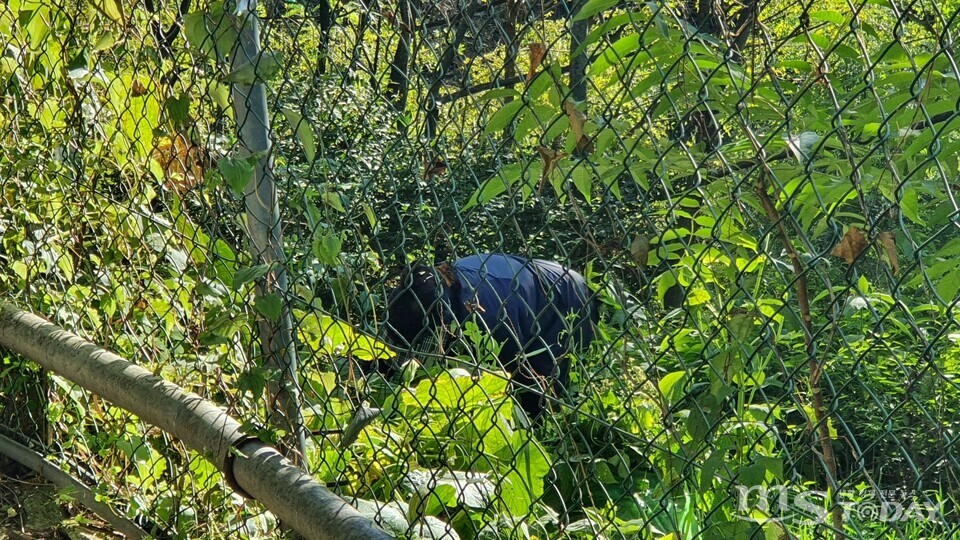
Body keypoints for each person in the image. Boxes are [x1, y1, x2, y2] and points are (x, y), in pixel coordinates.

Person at [384, 253, 597, 418]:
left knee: (542, 382)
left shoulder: (489, 315)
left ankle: (546, 432)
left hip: (567, 294)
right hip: (522, 284)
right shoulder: (421, 285)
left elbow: (506, 369)